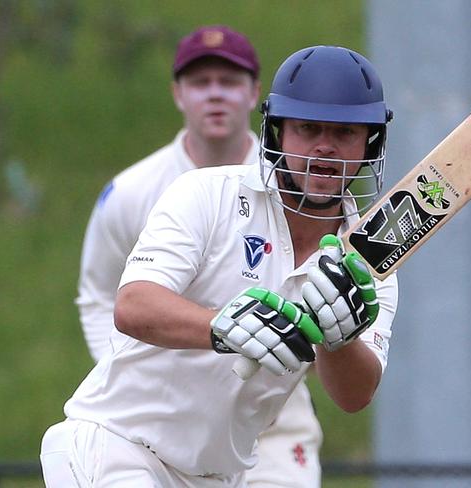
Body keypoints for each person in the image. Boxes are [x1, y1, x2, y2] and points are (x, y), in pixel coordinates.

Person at [41, 44, 398, 487]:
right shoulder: (207, 194)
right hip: (117, 444)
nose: (324, 147)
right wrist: (222, 327)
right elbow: (133, 306)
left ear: (370, 141)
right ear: (277, 134)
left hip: (216, 475)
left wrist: (340, 338)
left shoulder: (366, 258)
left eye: (345, 132)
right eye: (308, 128)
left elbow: (354, 395)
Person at [72, 26, 323, 487]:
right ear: (177, 94)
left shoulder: (302, 184)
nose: (215, 96)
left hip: (273, 410)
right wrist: (126, 365)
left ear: (253, 94)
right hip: (165, 411)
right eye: (200, 83)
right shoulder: (133, 192)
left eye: (228, 83)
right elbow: (99, 296)